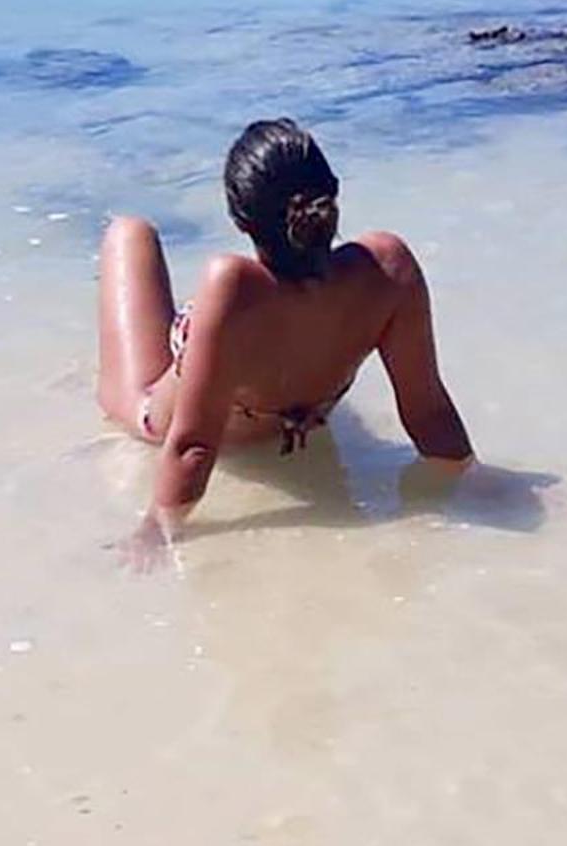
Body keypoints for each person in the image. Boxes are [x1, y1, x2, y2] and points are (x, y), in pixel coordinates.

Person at [96, 118, 473, 544]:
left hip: (159, 417)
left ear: (241, 221)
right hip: (274, 401)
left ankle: (181, 333)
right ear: (331, 196)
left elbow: (193, 447)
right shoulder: (389, 268)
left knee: (129, 232)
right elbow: (429, 413)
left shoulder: (233, 287)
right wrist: (474, 483)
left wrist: (158, 529)